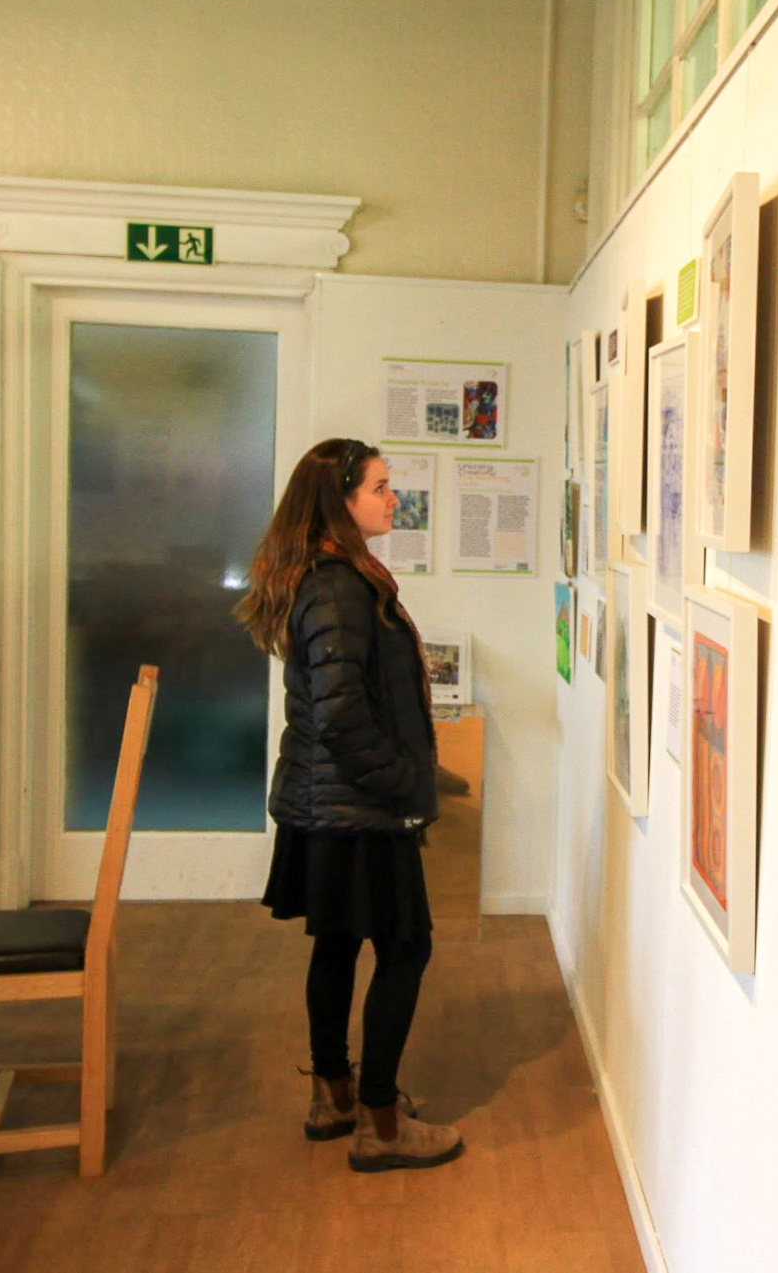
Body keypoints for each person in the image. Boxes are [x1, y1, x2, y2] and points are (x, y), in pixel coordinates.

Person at [236, 436, 463, 1173]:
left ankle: (334, 1098)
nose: (394, 498)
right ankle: (380, 1124)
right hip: (357, 809)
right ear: (343, 500)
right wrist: (401, 780)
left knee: (337, 944)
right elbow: (340, 715)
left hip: (331, 805)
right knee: (405, 949)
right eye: (381, 487)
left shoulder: (334, 575)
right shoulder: (336, 587)